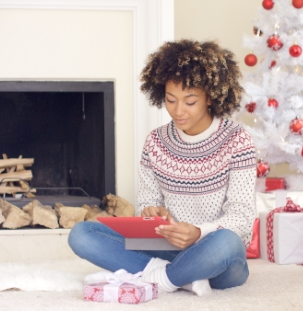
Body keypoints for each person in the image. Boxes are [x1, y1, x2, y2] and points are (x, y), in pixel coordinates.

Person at [68, 39, 257, 296]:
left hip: (216, 253)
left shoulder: (237, 139)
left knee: (226, 241)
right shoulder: (156, 141)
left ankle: (160, 279)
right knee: (82, 233)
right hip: (167, 247)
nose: (178, 111)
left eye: (190, 102)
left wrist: (199, 232)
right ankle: (184, 278)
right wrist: (152, 211)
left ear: (210, 98)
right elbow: (147, 200)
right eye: (170, 100)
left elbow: (242, 217)